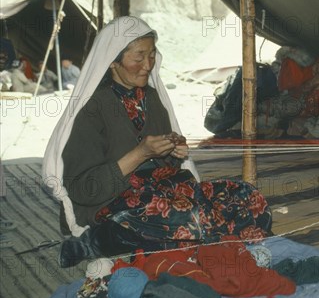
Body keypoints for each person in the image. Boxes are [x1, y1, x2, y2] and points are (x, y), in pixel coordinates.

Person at [43, 16, 272, 267]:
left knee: (248, 199)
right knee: (184, 218)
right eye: (138, 57)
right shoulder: (92, 110)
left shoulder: (151, 99)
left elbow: (167, 168)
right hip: (109, 203)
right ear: (112, 62)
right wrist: (140, 154)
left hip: (160, 191)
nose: (148, 64)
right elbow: (83, 189)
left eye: (152, 55)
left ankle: (178, 240)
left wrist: (174, 152)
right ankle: (92, 241)